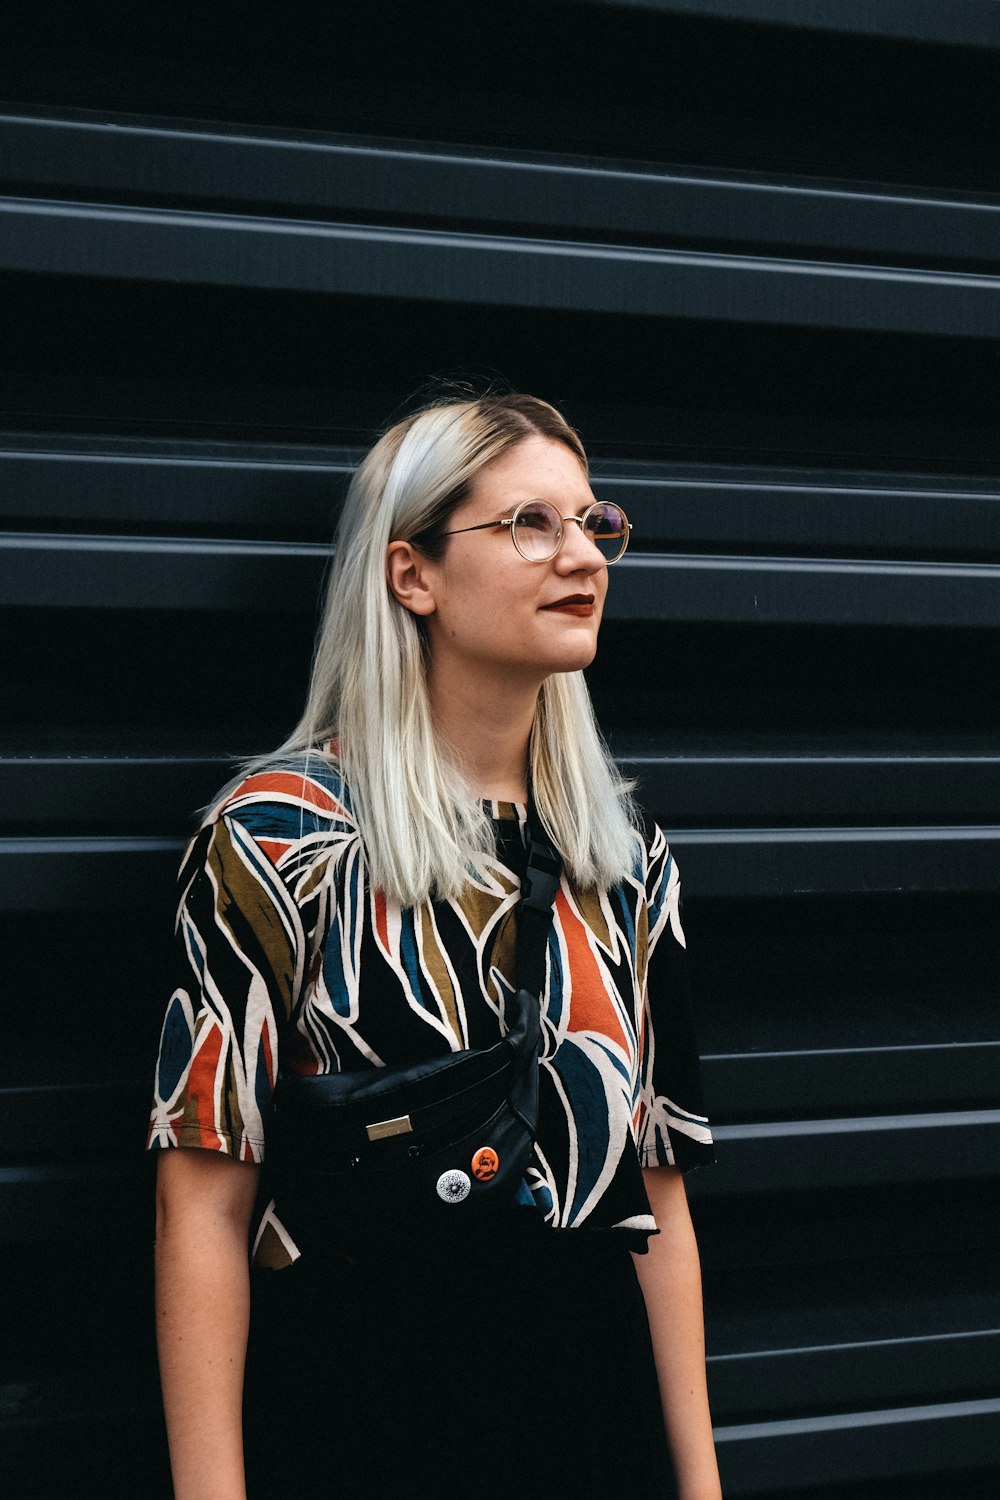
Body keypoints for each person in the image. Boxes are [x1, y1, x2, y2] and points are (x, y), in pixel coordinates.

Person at [149, 392, 721, 1500]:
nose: (582, 556)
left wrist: (697, 1482)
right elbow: (201, 1207)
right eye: (530, 524)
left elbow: (660, 1200)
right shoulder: (279, 838)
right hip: (364, 1423)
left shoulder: (626, 859)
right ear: (411, 574)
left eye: (593, 522)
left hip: (591, 1424)